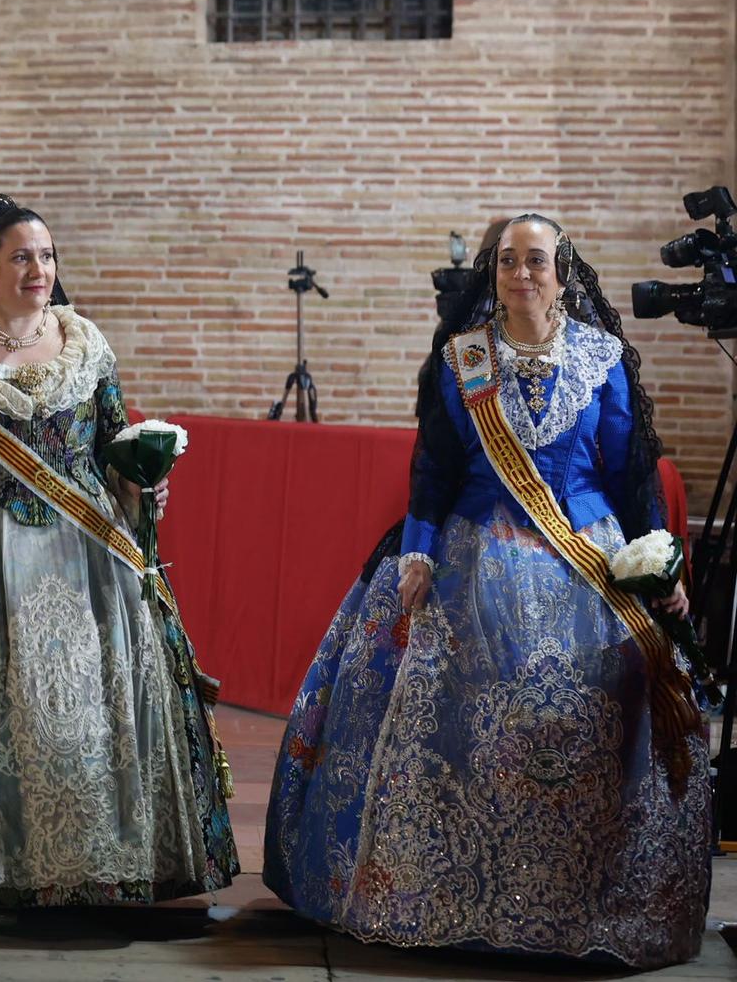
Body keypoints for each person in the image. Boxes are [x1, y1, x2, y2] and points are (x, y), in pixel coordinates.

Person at [264, 214, 711, 968]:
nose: (522, 273)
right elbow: (432, 474)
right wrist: (417, 556)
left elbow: (632, 476)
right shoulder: (463, 359)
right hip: (473, 548)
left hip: (586, 553)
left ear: (562, 272)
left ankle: (595, 895)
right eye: (508, 261)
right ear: (493, 272)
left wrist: (656, 561)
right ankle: (435, 891)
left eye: (537, 260)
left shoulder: (601, 358)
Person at [0, 194, 237, 908]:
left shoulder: (86, 344)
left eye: (46, 255)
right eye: (21, 256)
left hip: (84, 554)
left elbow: (114, 441)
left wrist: (142, 484)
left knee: (88, 709)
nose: (38, 268)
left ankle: (98, 861)